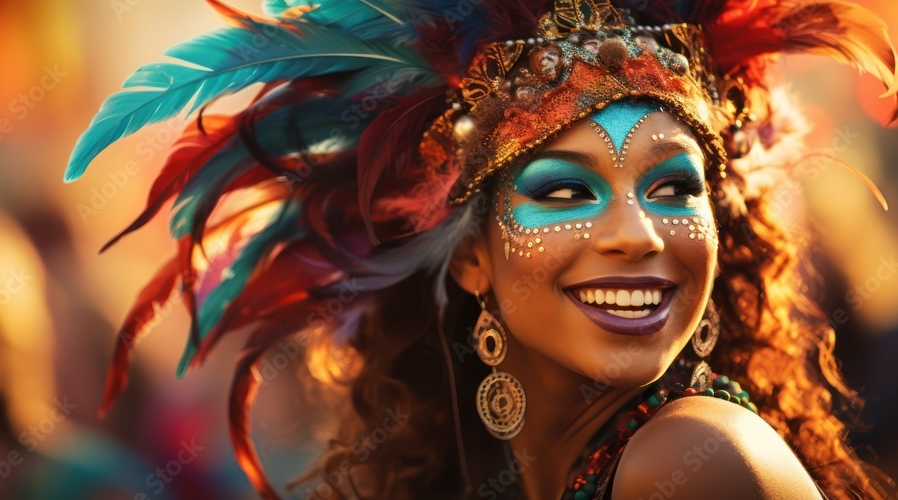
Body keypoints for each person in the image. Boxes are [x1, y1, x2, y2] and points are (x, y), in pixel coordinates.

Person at [66, 0, 898, 497]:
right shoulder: (518, 465)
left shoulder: (696, 460)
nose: (637, 233)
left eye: (675, 188)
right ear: (468, 258)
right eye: (564, 191)